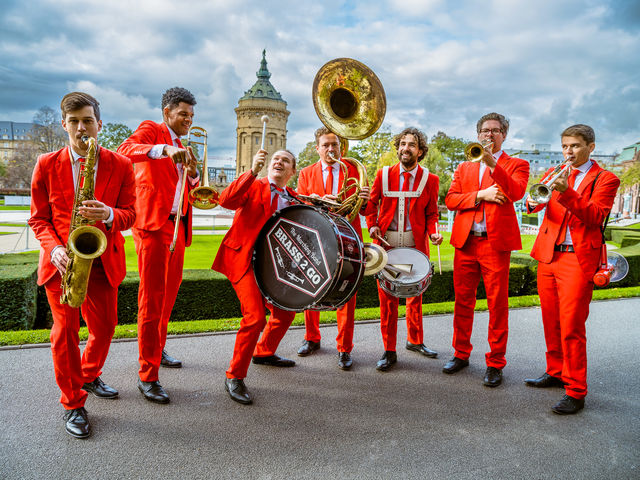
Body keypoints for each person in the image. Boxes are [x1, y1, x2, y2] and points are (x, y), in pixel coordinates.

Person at [28, 92, 136, 438]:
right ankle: (73, 402)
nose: (80, 127)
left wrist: (108, 214)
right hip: (61, 263)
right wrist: (56, 248)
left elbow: (132, 215)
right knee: (64, 334)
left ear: (98, 125)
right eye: (73, 121)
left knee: (105, 328)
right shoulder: (45, 163)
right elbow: (38, 219)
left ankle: (88, 374)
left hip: (101, 260)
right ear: (64, 124)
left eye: (87, 120)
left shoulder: (120, 164)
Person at [525, 124, 620, 414]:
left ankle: (576, 390)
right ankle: (555, 371)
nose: (568, 152)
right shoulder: (553, 174)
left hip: (577, 260)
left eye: (575, 146)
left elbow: (595, 216)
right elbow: (534, 205)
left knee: (572, 327)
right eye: (565, 146)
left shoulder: (606, 179)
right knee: (551, 321)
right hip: (548, 255)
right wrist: (532, 201)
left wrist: (566, 192)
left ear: (591, 147)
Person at [117, 87, 199, 404]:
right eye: (183, 114)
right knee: (151, 300)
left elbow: (188, 185)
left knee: (167, 296)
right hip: (152, 225)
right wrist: (163, 149)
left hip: (177, 226)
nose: (188, 120)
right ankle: (147, 376)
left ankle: (157, 346)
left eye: (191, 115)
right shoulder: (153, 130)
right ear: (167, 113)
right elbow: (126, 149)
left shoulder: (184, 145)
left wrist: (192, 174)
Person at [444, 113, 529, 387]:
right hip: (466, 243)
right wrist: (481, 195)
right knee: (463, 302)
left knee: (497, 306)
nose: (488, 135)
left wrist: (493, 164)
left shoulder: (518, 164)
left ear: (504, 134)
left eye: (494, 130)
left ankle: (495, 363)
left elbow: (515, 192)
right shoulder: (465, 166)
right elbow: (451, 200)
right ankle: (460, 353)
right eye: (484, 130)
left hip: (495, 245)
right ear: (478, 134)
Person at [213, 149, 299, 405]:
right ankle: (234, 376)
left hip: (273, 267)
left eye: (286, 160)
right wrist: (251, 171)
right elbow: (225, 201)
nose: (279, 162)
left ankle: (264, 352)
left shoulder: (295, 198)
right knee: (255, 317)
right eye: (276, 159)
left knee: (285, 312)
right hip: (244, 259)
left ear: (292, 172)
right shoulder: (254, 184)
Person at [365, 127, 443, 371]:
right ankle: (389, 350)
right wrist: (373, 225)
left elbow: (432, 214)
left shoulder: (431, 179)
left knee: (415, 297)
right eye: (402, 144)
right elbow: (370, 205)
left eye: (411, 145)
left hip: (415, 245)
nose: (405, 148)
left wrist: (434, 233)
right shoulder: (382, 175)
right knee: (387, 301)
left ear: (420, 151)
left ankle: (415, 341)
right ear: (397, 147)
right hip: (387, 247)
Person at [295, 127, 370, 369]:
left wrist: (366, 200)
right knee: (311, 286)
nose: (330, 149)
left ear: (341, 147)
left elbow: (367, 210)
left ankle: (344, 348)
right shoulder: (306, 173)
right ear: (317, 148)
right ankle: (312, 338)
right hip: (316, 237)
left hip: (348, 238)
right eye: (325, 145)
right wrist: (316, 198)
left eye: (334, 145)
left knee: (347, 291)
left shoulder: (354, 171)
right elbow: (300, 203)